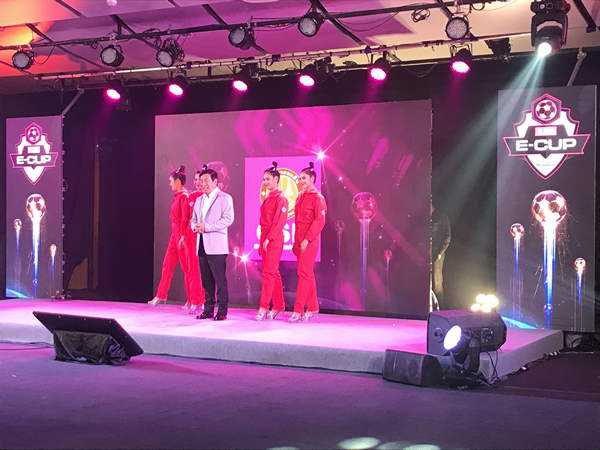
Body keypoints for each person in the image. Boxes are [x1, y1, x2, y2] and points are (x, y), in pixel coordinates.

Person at [191, 165, 234, 321]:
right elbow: (193, 219)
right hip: (202, 244)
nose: (203, 184)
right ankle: (208, 309)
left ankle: (222, 311)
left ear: (215, 181)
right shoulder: (199, 200)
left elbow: (228, 219)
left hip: (216, 246)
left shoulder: (225, 198)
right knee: (206, 281)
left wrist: (207, 227)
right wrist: (194, 227)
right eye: (201, 181)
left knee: (219, 280)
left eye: (206, 181)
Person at [149, 166, 195, 307]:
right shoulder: (178, 196)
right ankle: (161, 294)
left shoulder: (185, 196)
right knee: (167, 264)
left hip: (181, 235)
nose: (170, 184)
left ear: (178, 181)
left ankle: (192, 299)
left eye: (171, 181)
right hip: (174, 235)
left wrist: (182, 236)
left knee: (186, 267)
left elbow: (185, 218)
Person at [289, 162, 327, 323]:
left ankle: (298, 310)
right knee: (307, 273)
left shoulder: (318, 198)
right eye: (300, 178)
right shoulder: (300, 197)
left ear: (312, 179)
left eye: (304, 178)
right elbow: (298, 222)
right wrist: (296, 241)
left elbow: (319, 221)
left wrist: (307, 239)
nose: (301, 181)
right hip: (299, 240)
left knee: (303, 274)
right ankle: (313, 306)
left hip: (309, 241)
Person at [255, 162, 289, 321]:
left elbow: (279, 222)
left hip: (274, 238)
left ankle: (263, 307)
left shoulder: (281, 199)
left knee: (269, 273)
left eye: (268, 179)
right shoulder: (267, 197)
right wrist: (263, 240)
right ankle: (279, 305)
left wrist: (269, 238)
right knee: (273, 272)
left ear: (276, 179)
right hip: (265, 236)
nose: (265, 182)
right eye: (264, 179)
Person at [182, 171, 206, 314]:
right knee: (192, 269)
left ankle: (205, 300)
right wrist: (183, 235)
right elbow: (185, 218)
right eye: (195, 179)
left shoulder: (210, 197)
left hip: (205, 236)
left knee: (205, 270)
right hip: (191, 236)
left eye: (200, 180)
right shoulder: (190, 197)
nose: (198, 183)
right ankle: (194, 300)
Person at [431, 200, 451, 308]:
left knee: (436, 280)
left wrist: (440, 252)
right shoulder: (423, 217)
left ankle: (440, 307)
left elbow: (447, 236)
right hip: (425, 252)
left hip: (436, 253)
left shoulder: (442, 217)